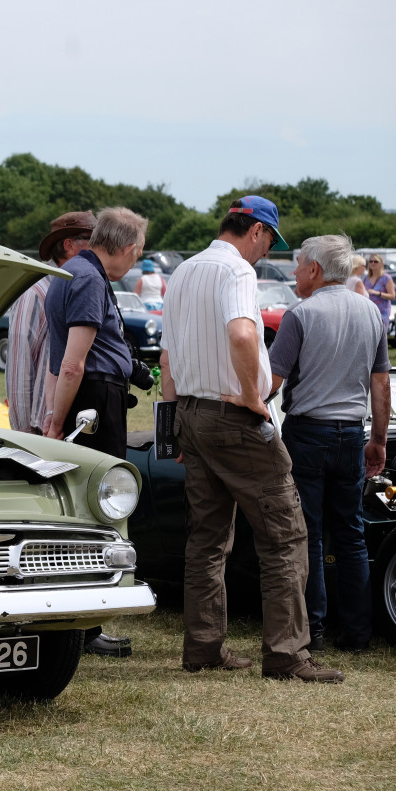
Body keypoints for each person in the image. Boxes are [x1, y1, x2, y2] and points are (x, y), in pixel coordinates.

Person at [160, 194, 343, 683]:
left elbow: (168, 360)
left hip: (192, 414)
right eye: (268, 242)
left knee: (207, 538)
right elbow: (243, 335)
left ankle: (202, 647)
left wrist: (171, 421)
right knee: (286, 535)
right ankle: (286, 654)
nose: (265, 253)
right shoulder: (236, 271)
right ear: (257, 231)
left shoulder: (183, 272)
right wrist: (252, 398)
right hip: (233, 418)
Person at [269, 235, 389, 654]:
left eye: (299, 264)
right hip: (353, 433)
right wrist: (377, 440)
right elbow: (380, 383)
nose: (296, 271)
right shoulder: (371, 312)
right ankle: (357, 633)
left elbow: (272, 381)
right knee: (352, 535)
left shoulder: (300, 314)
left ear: (315, 269)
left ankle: (313, 630)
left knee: (310, 536)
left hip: (307, 432)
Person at [44, 207, 147, 453]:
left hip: (82, 398)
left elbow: (55, 359)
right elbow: (71, 365)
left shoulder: (68, 271)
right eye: (138, 255)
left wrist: (52, 412)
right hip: (95, 401)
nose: (134, 264)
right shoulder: (89, 279)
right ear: (129, 249)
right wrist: (57, 424)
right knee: (99, 485)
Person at [8, 211, 95, 435]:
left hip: (78, 423)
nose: (99, 249)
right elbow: (20, 365)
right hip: (42, 430)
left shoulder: (87, 287)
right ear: (68, 245)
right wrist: (23, 434)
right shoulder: (36, 291)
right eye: (93, 242)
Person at [362, 252, 394, 320]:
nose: (373, 263)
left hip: (382, 314)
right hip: (368, 314)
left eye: (376, 261)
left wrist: (377, 293)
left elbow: (392, 296)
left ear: (381, 263)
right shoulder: (366, 278)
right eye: (371, 261)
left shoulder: (386, 278)